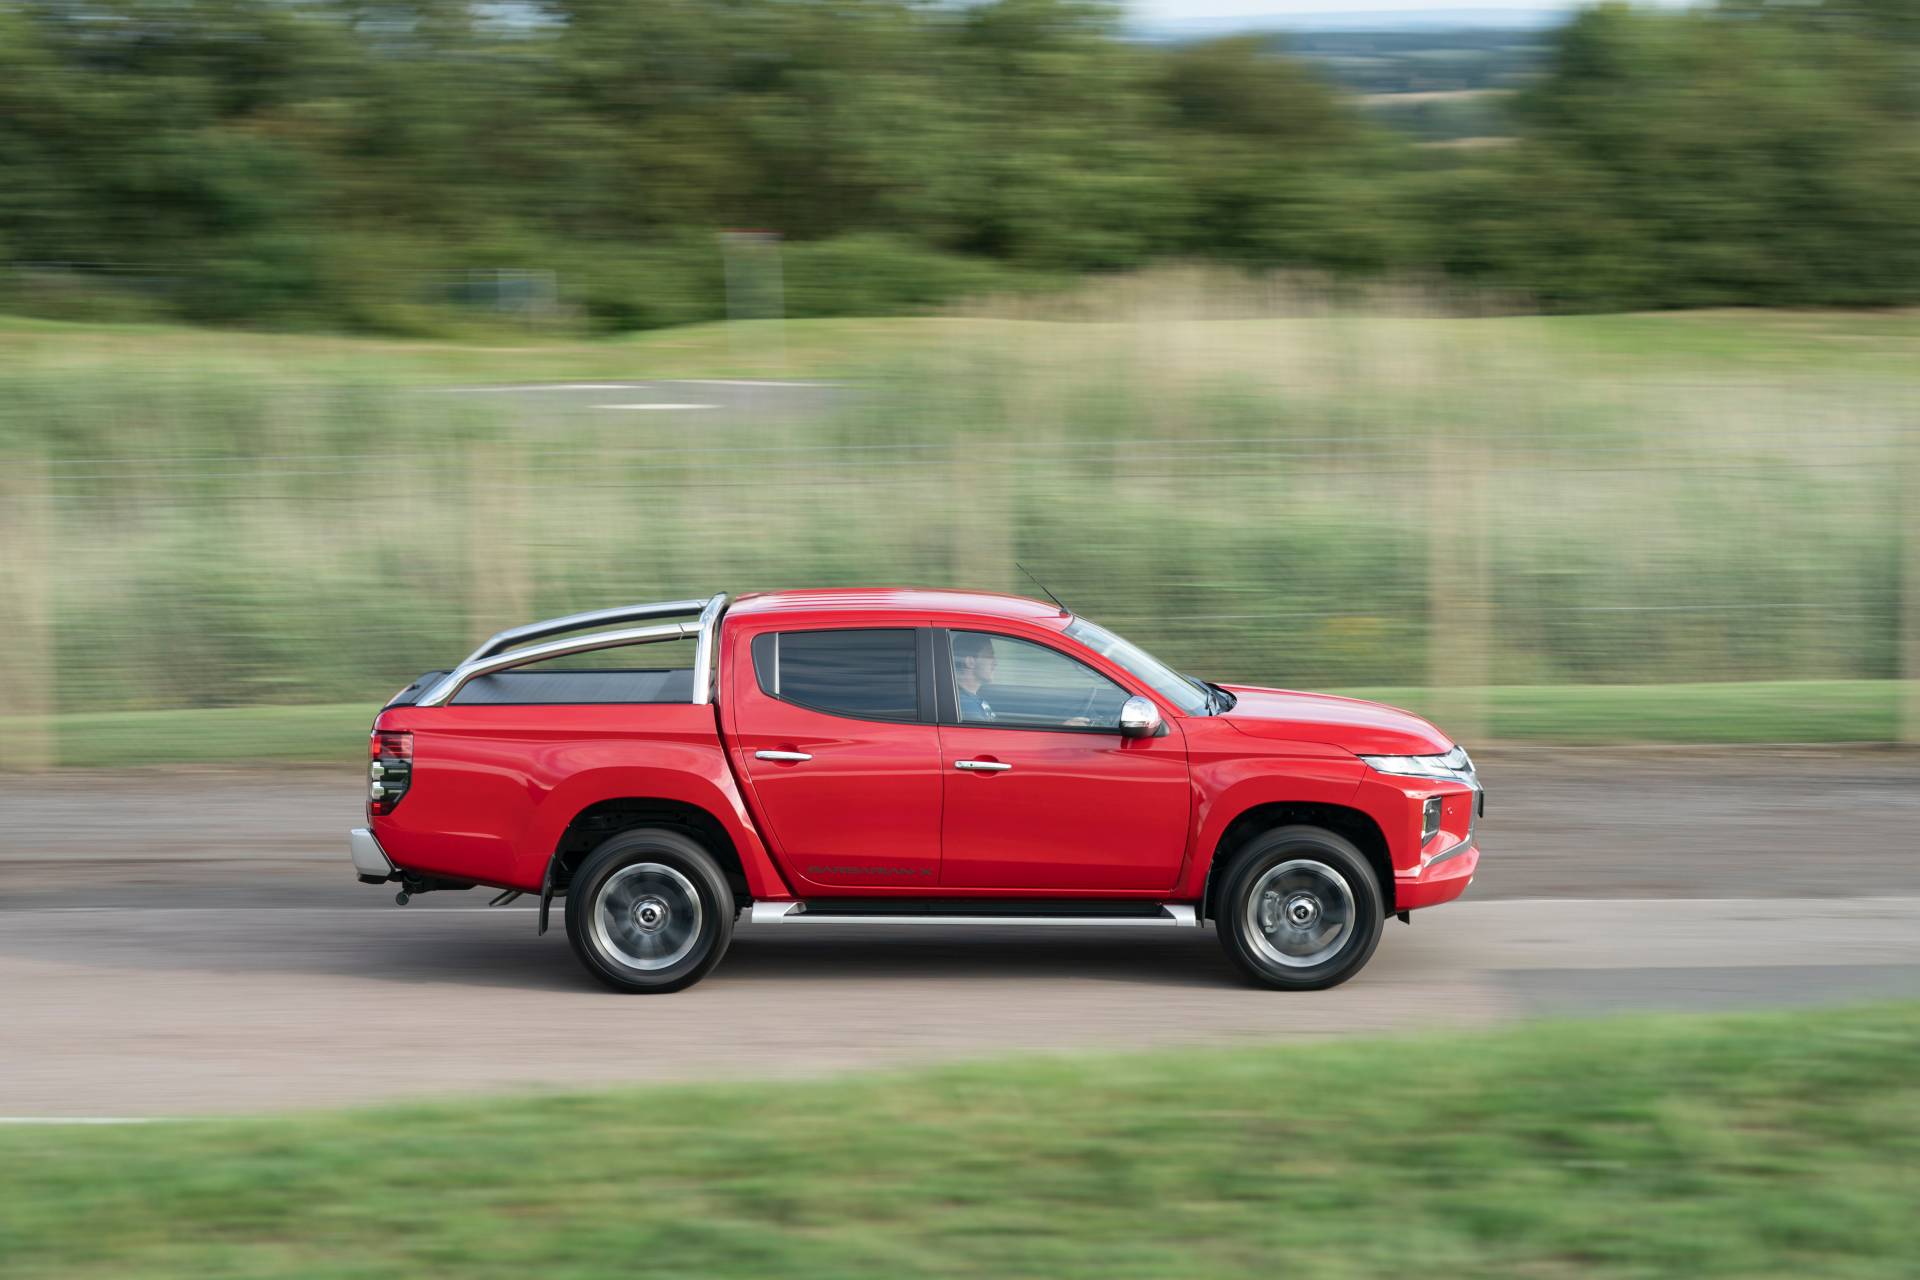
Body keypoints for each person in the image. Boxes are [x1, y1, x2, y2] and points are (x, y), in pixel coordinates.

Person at [952, 632, 998, 721]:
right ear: (970, 662)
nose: (995, 663)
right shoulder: (966, 707)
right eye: (989, 656)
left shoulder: (970, 699)